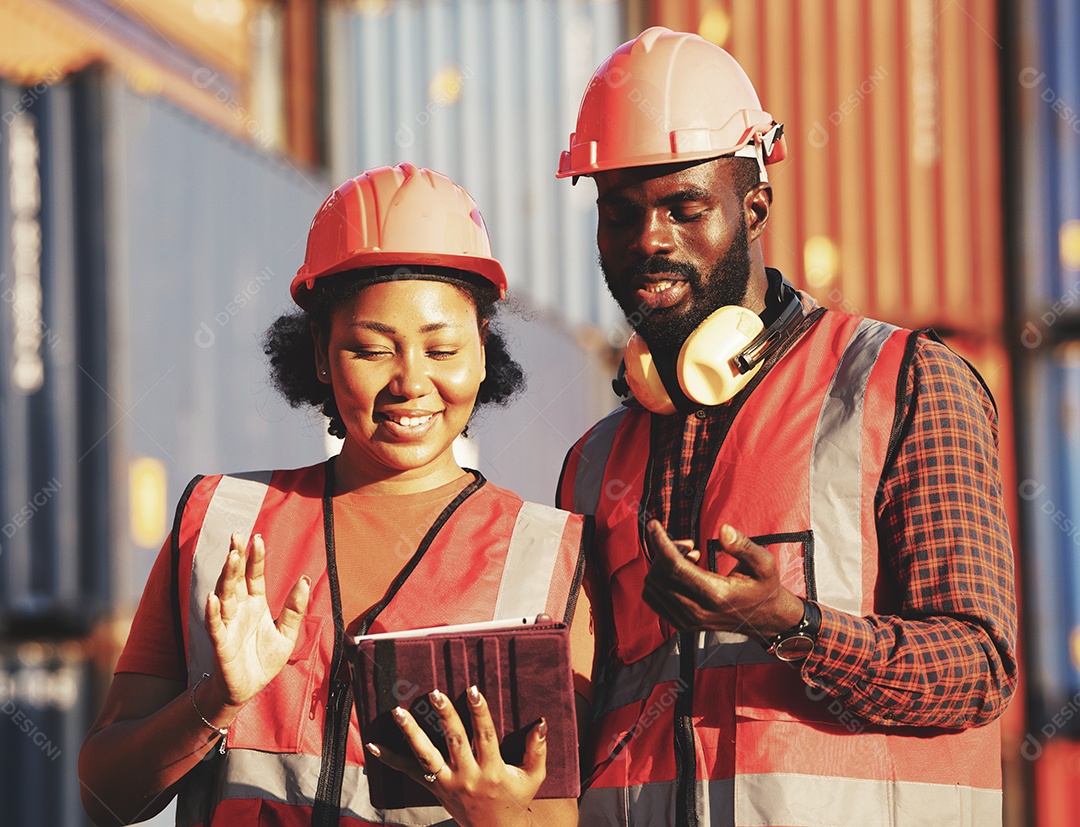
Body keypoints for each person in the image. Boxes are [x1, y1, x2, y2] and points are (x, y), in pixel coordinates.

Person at [554, 27, 1018, 827]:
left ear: (755, 205)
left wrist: (791, 624)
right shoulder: (595, 462)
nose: (648, 241)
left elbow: (977, 667)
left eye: (684, 208)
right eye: (619, 214)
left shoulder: (904, 384)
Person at [79, 163, 591, 827]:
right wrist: (215, 701)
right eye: (372, 349)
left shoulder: (546, 554)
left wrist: (494, 811)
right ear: (321, 352)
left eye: (442, 348)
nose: (412, 381)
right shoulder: (220, 524)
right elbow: (103, 797)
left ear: (484, 349)